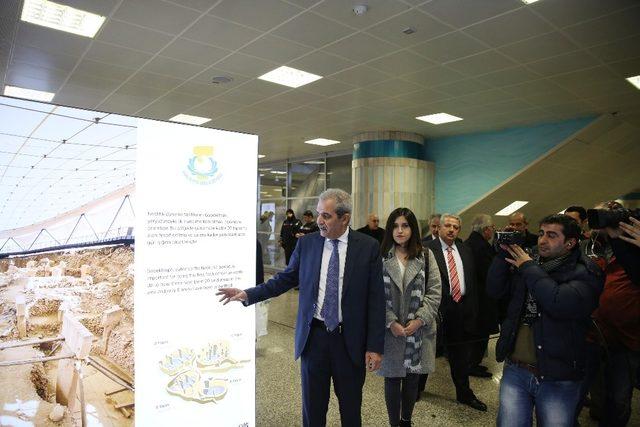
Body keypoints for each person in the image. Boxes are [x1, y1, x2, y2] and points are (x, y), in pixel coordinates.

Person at [217, 189, 385, 427]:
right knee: (312, 410)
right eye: (318, 214)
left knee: (351, 409)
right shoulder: (307, 244)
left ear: (344, 218)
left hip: (349, 342)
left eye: (326, 216)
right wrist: (248, 293)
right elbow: (284, 279)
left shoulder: (367, 247)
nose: (319, 221)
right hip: (313, 339)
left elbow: (377, 299)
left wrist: (375, 346)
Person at [487, 214, 603, 427]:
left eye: (551, 235)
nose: (542, 240)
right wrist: (501, 256)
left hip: (558, 375)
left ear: (570, 242)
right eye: (541, 234)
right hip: (516, 369)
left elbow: (557, 302)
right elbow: (494, 291)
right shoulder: (528, 263)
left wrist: (529, 267)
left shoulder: (586, 272)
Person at [378, 208, 441, 427]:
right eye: (395, 226)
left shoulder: (425, 255)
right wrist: (390, 321)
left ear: (412, 229)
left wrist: (420, 320)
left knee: (413, 377)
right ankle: (394, 423)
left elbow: (434, 291)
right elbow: (374, 295)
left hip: (419, 330)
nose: (400, 230)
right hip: (391, 330)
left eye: (405, 225)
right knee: (393, 378)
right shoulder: (381, 256)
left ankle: (406, 420)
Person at [580, 203, 640, 426]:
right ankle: (596, 413)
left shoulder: (632, 245)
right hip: (594, 331)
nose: (598, 219)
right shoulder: (589, 246)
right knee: (591, 385)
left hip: (626, 337)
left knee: (619, 395)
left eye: (604, 213)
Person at [426, 214, 487, 411]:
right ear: (439, 228)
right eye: (448, 226)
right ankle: (415, 390)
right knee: (427, 354)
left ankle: (464, 394)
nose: (452, 230)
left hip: (462, 313)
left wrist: (474, 312)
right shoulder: (428, 250)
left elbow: (472, 283)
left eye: (455, 227)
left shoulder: (465, 250)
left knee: (460, 359)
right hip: (437, 313)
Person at [465, 214, 498, 378]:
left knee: (475, 333)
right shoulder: (481, 247)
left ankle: (472, 363)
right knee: (480, 333)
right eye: (492, 227)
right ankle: (472, 365)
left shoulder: (469, 243)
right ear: (486, 229)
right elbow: (489, 274)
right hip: (482, 298)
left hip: (472, 298)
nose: (493, 230)